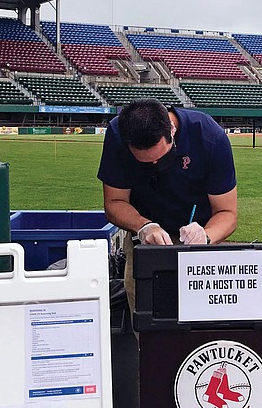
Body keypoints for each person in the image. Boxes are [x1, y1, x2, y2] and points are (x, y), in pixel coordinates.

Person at [97, 98, 238, 314]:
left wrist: (206, 236)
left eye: (161, 158)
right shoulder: (117, 134)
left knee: (202, 317)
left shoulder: (209, 136)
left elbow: (227, 212)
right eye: (145, 162)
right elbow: (114, 202)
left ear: (172, 130)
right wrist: (145, 227)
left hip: (199, 237)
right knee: (147, 317)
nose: (155, 165)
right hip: (144, 242)